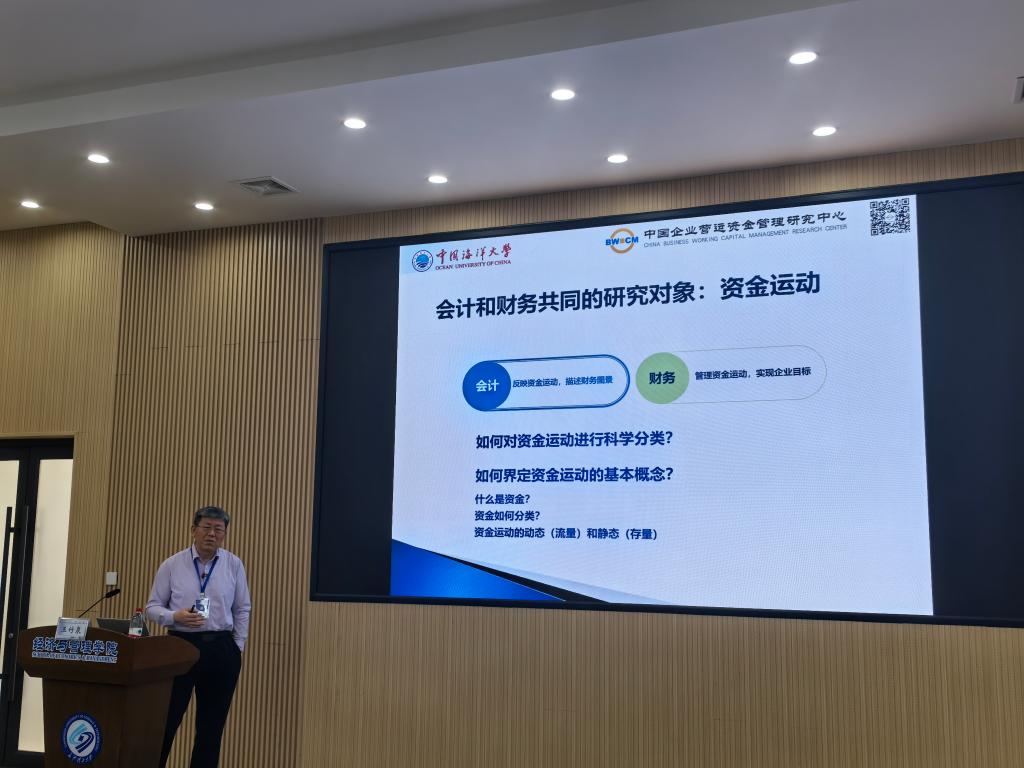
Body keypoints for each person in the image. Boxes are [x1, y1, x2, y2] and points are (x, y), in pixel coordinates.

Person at [145, 505, 251, 768]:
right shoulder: (172, 564)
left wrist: (237, 646)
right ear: (193, 530)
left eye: (218, 529)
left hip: (221, 648)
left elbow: (242, 608)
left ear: (225, 534)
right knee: (166, 721)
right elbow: (152, 607)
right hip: (180, 646)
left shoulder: (234, 564)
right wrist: (174, 616)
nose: (212, 534)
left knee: (211, 728)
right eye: (206, 528)